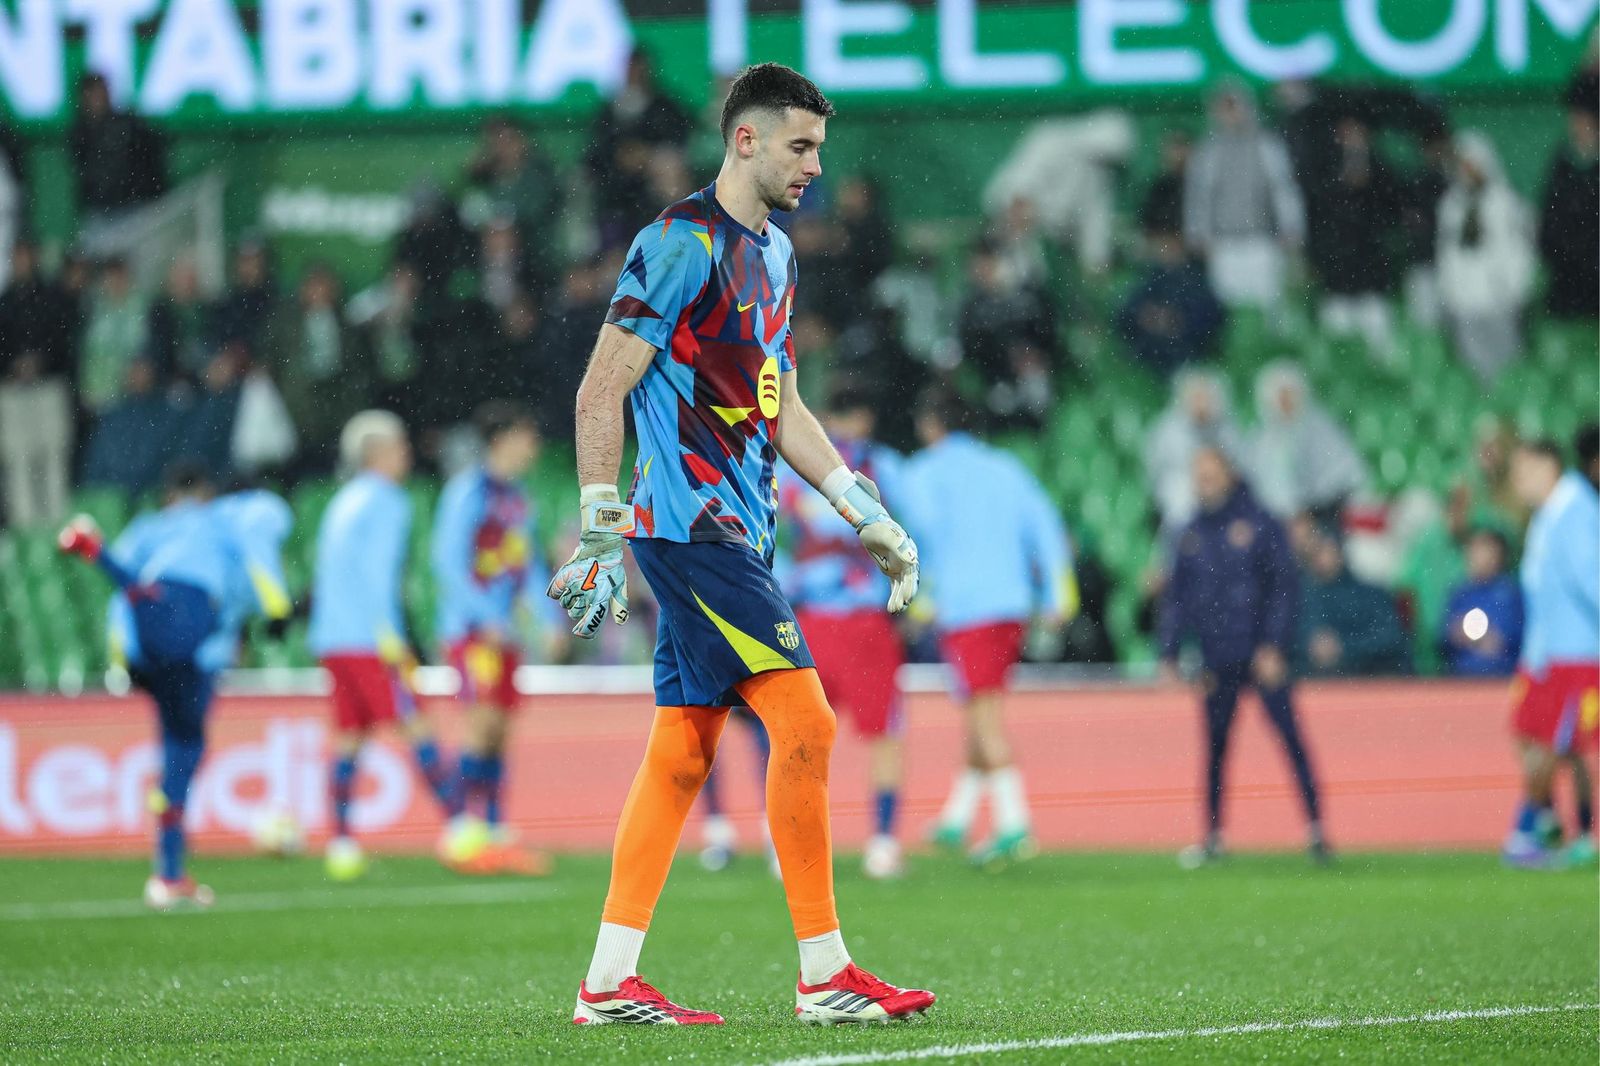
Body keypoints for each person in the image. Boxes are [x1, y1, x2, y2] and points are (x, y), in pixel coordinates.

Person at [546, 63, 932, 1026]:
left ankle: (605, 984)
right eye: (800, 147)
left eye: (820, 150)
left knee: (682, 753)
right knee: (806, 726)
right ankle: (825, 974)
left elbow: (783, 403)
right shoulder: (677, 242)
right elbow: (601, 391)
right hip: (689, 529)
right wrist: (600, 533)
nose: (814, 168)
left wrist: (861, 509)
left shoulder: (779, 258)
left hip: (736, 534)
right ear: (745, 140)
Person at [57, 463, 291, 909]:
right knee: (185, 751)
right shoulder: (222, 519)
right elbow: (257, 558)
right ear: (205, 491)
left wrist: (121, 657)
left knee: (180, 754)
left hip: (153, 649)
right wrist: (277, 609)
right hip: (192, 638)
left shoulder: (151, 527)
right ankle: (168, 872)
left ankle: (168, 873)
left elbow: (121, 599)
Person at [901, 388, 1074, 868]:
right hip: (1009, 606)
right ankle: (957, 817)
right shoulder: (1007, 469)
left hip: (965, 609)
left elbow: (918, 540)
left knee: (986, 718)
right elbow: (1045, 526)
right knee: (980, 710)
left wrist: (920, 603)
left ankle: (1016, 826)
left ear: (932, 426)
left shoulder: (923, 474)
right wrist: (1060, 595)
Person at [308, 412, 468, 882]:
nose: (406, 456)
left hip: (333, 638)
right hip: (369, 639)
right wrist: (393, 640)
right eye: (399, 448)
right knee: (416, 727)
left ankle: (340, 844)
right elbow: (378, 577)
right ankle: (460, 827)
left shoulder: (342, 502)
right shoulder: (387, 503)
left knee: (349, 737)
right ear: (378, 453)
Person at [1159, 446, 1327, 866]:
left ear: (1230, 474)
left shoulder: (1260, 523)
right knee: (1215, 747)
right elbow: (1178, 598)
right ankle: (1213, 835)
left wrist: (1274, 645)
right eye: (1199, 472)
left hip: (1260, 654)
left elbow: (1282, 588)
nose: (1205, 479)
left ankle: (1316, 830)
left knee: (1290, 739)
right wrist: (1171, 650)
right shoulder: (1191, 532)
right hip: (1217, 656)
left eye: (1211, 471)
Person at [777, 387, 911, 879]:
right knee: (807, 734)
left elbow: (762, 532)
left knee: (858, 733)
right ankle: (858, 840)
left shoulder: (795, 467)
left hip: (841, 618)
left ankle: (875, 840)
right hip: (821, 617)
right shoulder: (878, 468)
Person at [432, 401, 559, 876]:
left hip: (503, 633)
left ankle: (495, 828)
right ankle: (461, 827)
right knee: (480, 722)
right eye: (527, 435)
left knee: (502, 726)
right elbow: (447, 562)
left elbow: (526, 569)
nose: (534, 446)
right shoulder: (468, 492)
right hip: (471, 630)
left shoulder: (517, 499)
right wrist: (482, 616)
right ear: (502, 439)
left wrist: (545, 620)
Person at [1503, 438, 1599, 868]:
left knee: (1557, 743)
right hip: (1545, 655)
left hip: (1575, 654)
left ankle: (1533, 828)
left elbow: (1594, 582)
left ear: (1548, 467)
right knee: (1532, 735)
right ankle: (1557, 825)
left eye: (1523, 472)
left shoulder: (1576, 514)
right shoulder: (1550, 515)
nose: (1518, 483)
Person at [1183, 81, 1305, 319]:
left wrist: (1291, 227)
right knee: (1227, 308)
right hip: (1224, 244)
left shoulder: (1267, 145)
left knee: (1271, 306)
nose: (1231, 115)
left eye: (1234, 107)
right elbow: (1200, 196)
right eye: (1224, 109)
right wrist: (1198, 233)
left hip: (1261, 241)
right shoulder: (1209, 151)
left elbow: (1283, 188)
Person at [1437, 132, 1535, 383]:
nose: (1466, 171)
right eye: (1462, 165)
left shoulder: (1506, 203)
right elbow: (1446, 254)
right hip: (1464, 304)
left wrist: (1512, 292)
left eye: (1472, 165)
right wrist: (1451, 293)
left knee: (1508, 372)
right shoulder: (1451, 205)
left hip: (1499, 303)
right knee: (1473, 373)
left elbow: (1520, 254)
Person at [0, 239, 77, 528]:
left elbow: (64, 343)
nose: (22, 261)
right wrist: (14, 366)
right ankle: (26, 535)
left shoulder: (52, 297)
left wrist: (39, 361)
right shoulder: (5, 301)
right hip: (13, 392)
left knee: (53, 458)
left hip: (48, 387)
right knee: (19, 462)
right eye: (17, 256)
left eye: (26, 255)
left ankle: (58, 531)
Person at [1250, 361, 1367, 523]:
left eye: (1289, 394)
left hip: (1327, 510)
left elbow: (1343, 471)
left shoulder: (1321, 426)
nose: (1285, 402)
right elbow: (1263, 486)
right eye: (1279, 396)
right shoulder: (1263, 441)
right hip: (1282, 521)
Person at [1144, 368, 1246, 542]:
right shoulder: (1167, 430)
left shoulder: (1227, 427)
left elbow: (1239, 466)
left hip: (1220, 491)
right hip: (1184, 492)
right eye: (1195, 398)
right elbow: (1155, 471)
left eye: (1205, 397)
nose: (1200, 404)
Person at [1296, 523, 1410, 678]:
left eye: (1326, 549)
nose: (1320, 556)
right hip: (1315, 684)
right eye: (1315, 550)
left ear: (1340, 551)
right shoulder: (1299, 597)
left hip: (1368, 681)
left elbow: (1391, 637)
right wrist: (1310, 647)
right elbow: (1287, 641)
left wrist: (1344, 647)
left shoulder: (1370, 594)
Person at [1114, 227, 1225, 378]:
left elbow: (1213, 316)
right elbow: (1125, 314)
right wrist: (1146, 316)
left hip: (1185, 349)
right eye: (1163, 242)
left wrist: (1176, 319)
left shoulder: (1196, 278)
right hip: (1148, 349)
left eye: (1172, 242)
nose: (1167, 248)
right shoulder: (1150, 277)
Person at [1537, 81, 1598, 321]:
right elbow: (1550, 220)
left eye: (1583, 118)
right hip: (1567, 280)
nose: (1577, 124)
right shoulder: (1562, 162)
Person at [1440, 529, 1523, 677]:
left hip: (1501, 677)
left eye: (1485, 551)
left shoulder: (1511, 594)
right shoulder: (1460, 593)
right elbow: (1442, 637)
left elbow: (1516, 637)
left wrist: (1497, 640)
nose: (1478, 557)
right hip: (1461, 678)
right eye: (1474, 550)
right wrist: (1456, 635)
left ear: (1499, 555)